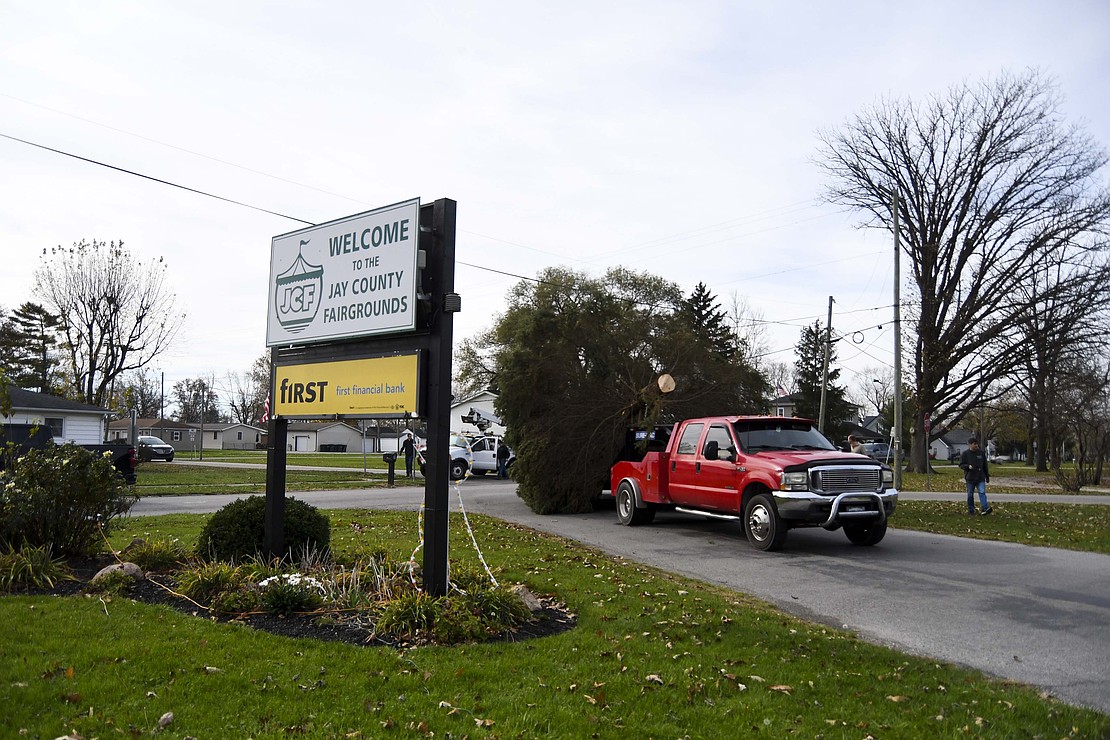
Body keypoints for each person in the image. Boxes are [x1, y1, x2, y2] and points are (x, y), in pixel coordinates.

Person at [959, 437, 992, 515]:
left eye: (977, 444)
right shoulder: (965, 454)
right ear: (970, 445)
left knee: (982, 492)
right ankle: (971, 510)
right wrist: (967, 467)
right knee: (970, 494)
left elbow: (985, 465)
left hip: (980, 477)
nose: (976, 445)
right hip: (970, 478)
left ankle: (985, 508)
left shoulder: (981, 453)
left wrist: (987, 476)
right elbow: (961, 465)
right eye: (974, 444)